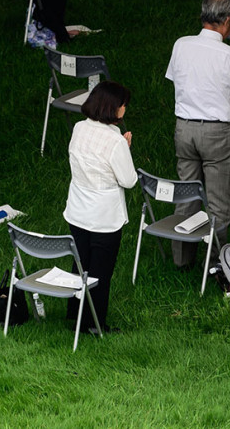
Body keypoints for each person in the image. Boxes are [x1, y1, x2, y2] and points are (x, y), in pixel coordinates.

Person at [165, 0, 230, 267]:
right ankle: (216, 264)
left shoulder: (181, 45)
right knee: (218, 205)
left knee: (187, 196)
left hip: (183, 129)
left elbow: (176, 82)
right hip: (217, 132)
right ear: (228, 21)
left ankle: (182, 260)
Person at [63, 81, 136, 334]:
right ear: (114, 108)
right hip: (104, 217)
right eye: (124, 105)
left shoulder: (79, 128)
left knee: (80, 264)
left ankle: (75, 315)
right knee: (100, 272)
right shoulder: (115, 142)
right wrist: (125, 150)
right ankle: (94, 324)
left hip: (77, 209)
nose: (125, 109)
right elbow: (128, 180)